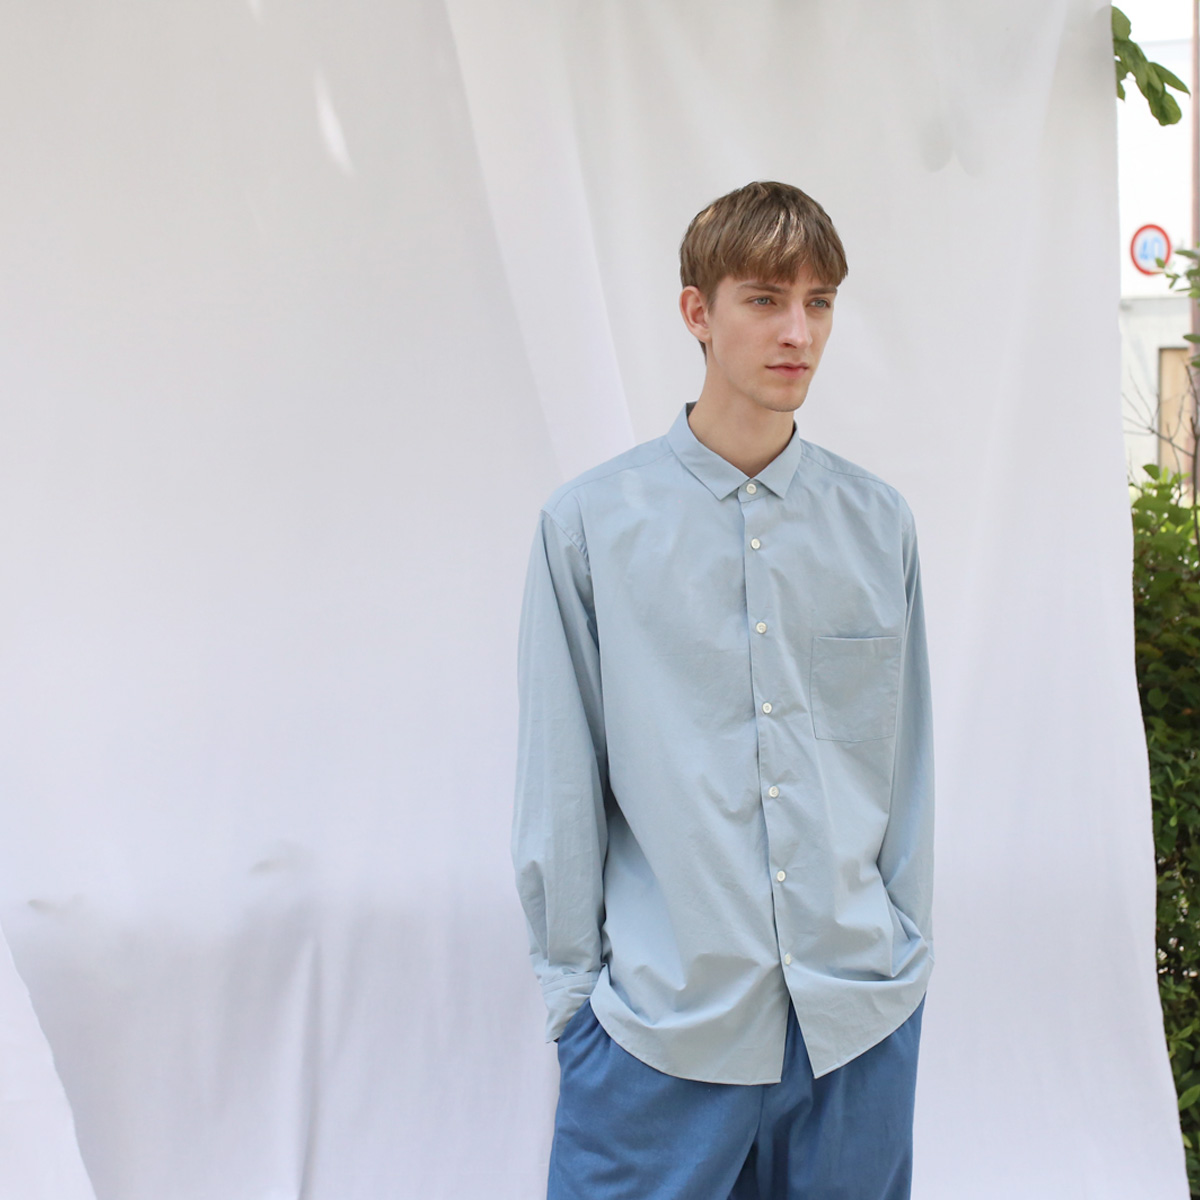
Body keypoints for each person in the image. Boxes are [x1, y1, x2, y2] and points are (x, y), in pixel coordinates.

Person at [512, 180, 935, 1200]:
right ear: (697, 312)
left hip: (854, 1026)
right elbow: (559, 778)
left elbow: (907, 765)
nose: (799, 332)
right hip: (661, 1032)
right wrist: (574, 1002)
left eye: (819, 302)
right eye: (765, 299)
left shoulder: (878, 524)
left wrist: (903, 961)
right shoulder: (589, 527)